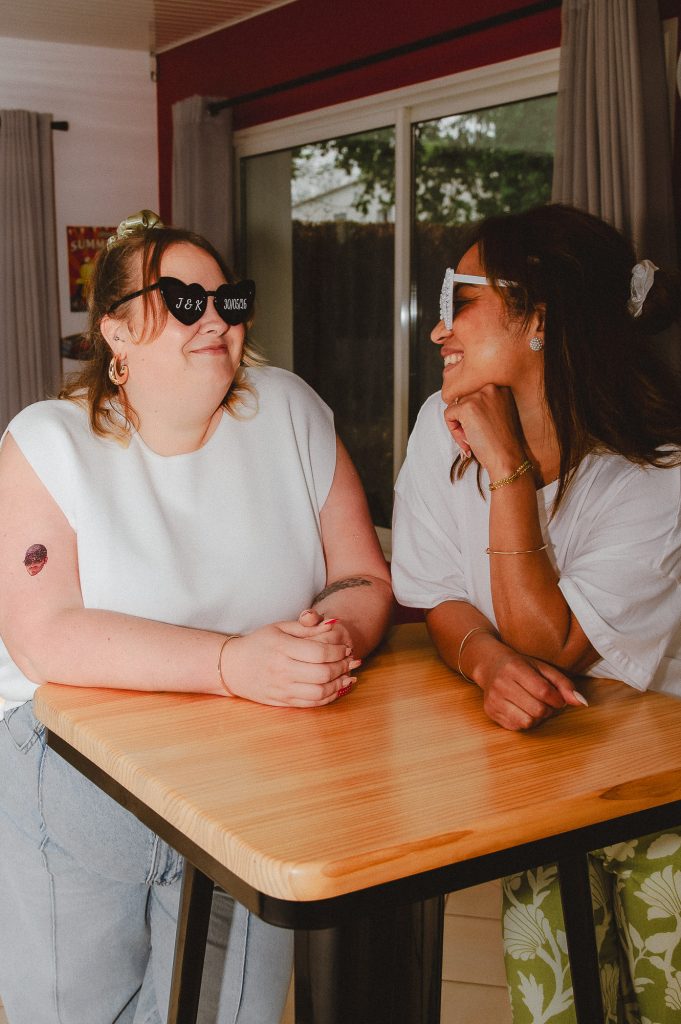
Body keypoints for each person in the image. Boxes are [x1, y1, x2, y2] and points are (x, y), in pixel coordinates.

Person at [0, 210, 392, 1024]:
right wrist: (231, 663)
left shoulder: (289, 411)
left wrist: (327, 642)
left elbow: (359, 576)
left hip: (253, 769)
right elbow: (44, 635)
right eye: (182, 300)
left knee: (232, 1014)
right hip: (75, 772)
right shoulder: (46, 442)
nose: (214, 317)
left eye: (229, 300)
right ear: (116, 330)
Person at [391, 203, 681, 1024]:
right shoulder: (435, 427)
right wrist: (483, 663)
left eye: (460, 301)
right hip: (547, 779)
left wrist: (508, 468)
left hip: (661, 788)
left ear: (538, 319)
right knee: (552, 1001)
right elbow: (437, 596)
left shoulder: (654, 471)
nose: (437, 331)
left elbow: (547, 642)